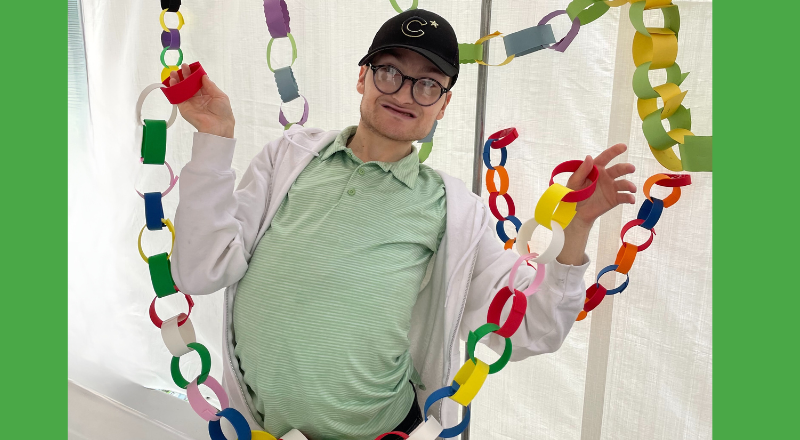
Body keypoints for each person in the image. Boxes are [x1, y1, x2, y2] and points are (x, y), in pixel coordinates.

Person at [169, 8, 636, 440]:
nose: (405, 94)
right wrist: (214, 139)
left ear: (444, 104)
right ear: (362, 78)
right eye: (390, 72)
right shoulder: (286, 159)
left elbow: (535, 328)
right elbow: (200, 269)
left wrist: (575, 231)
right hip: (257, 427)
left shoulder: (453, 210)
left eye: (428, 83)